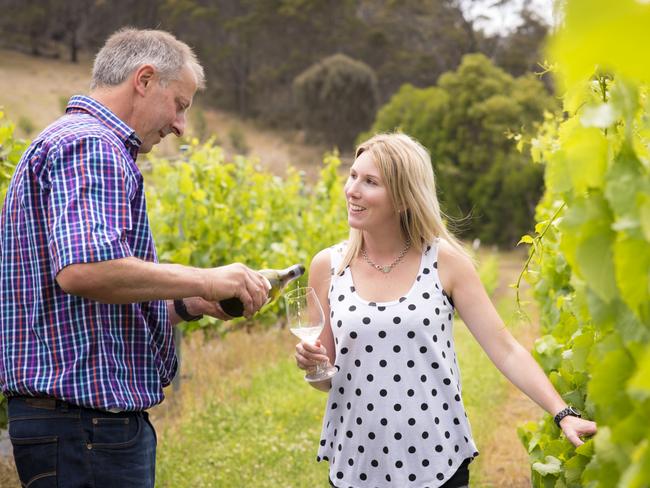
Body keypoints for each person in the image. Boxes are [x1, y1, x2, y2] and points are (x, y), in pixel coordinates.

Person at [0, 28, 270, 488]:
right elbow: (84, 270)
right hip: (86, 428)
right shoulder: (92, 145)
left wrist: (188, 303)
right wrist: (203, 278)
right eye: (180, 104)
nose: (181, 125)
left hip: (77, 427)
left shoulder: (74, 142)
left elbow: (91, 306)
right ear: (144, 79)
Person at [295, 133, 597, 488]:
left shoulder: (444, 263)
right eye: (353, 176)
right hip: (357, 462)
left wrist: (562, 413)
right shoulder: (328, 266)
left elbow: (506, 349)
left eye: (370, 182)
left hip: (436, 460)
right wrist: (312, 365)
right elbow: (327, 377)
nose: (352, 190)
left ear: (404, 198)